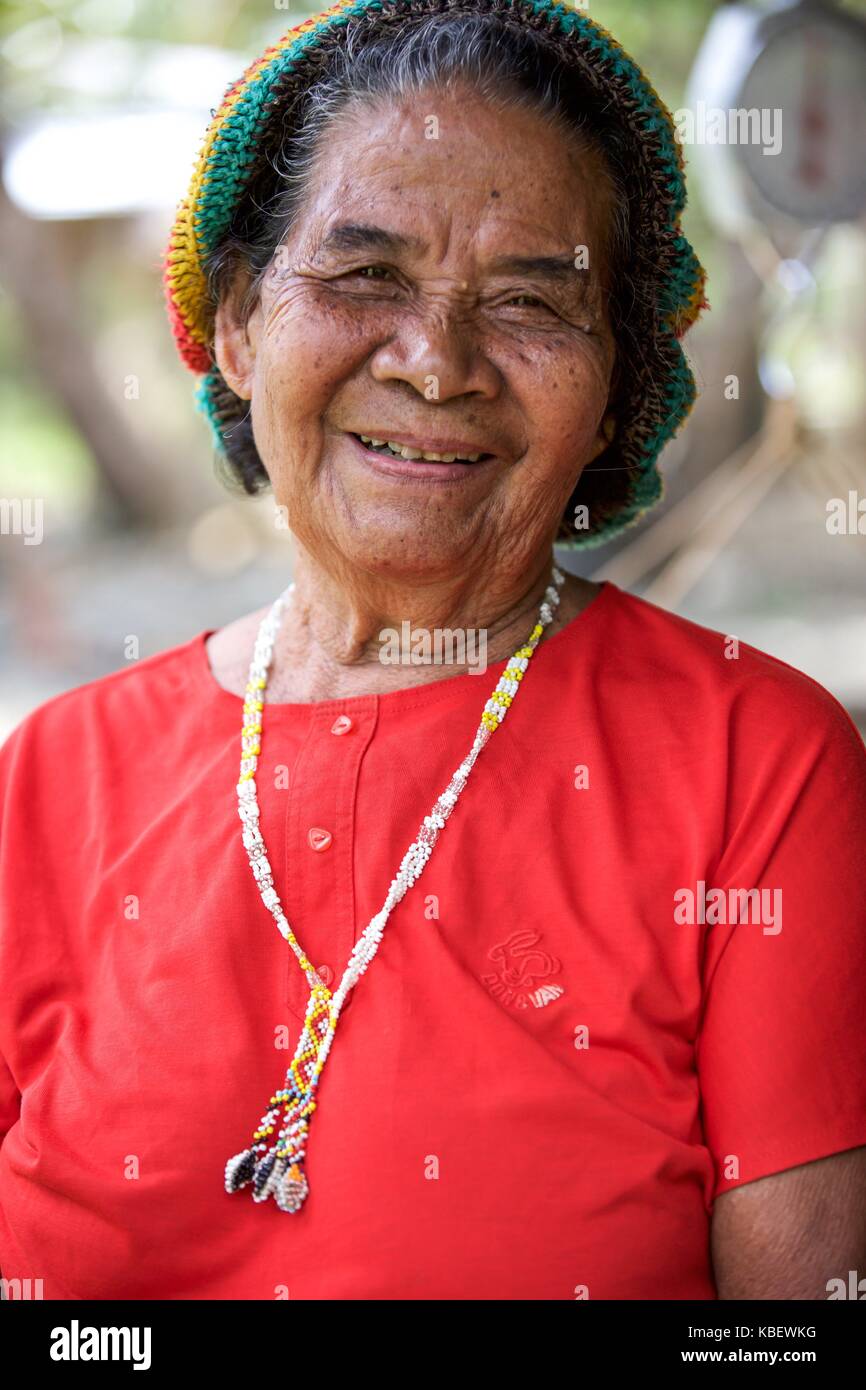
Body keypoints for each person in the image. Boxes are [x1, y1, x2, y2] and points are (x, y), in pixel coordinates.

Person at [1, 0, 864, 1301]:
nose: (435, 363)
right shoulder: (53, 779)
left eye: (528, 300)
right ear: (237, 324)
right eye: (362, 278)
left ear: (614, 383)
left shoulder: (755, 764)